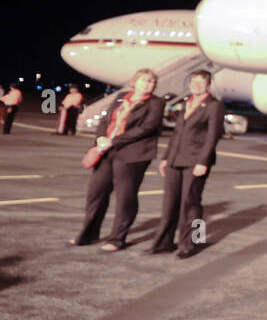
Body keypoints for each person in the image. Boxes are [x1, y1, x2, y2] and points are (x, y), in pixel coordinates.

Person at [68, 69, 164, 252]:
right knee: (96, 193)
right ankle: (88, 234)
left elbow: (147, 128)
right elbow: (106, 120)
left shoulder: (155, 103)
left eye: (152, 82)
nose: (148, 84)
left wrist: (114, 141)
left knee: (124, 197)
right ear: (134, 82)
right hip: (107, 151)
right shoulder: (121, 97)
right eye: (144, 80)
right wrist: (100, 139)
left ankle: (117, 238)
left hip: (133, 154)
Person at [150, 70, 225, 258]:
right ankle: (164, 242)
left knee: (189, 203)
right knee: (171, 204)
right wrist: (166, 158)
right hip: (176, 159)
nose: (197, 84)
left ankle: (190, 244)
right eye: (193, 81)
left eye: (201, 81)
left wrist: (203, 161)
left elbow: (212, 136)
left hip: (195, 161)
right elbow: (176, 134)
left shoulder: (214, 106)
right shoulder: (187, 103)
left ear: (208, 84)